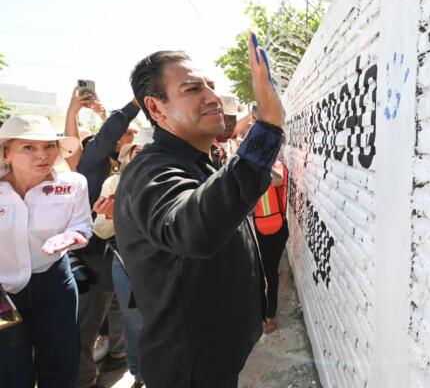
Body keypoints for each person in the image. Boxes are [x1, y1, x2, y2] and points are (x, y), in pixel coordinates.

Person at [114, 30, 284, 388]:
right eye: (192, 89)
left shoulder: (201, 161)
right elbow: (194, 231)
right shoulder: (151, 170)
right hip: (189, 367)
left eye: (210, 86)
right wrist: (266, 126)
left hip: (221, 356)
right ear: (156, 108)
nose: (213, 98)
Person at [0, 114, 93, 387]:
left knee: (62, 365)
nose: (42, 155)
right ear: (7, 153)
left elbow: (83, 226)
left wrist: (71, 236)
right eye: (29, 147)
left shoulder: (73, 184)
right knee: (11, 370)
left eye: (49, 146)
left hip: (54, 284)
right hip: (2, 292)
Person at [72, 94, 141, 388]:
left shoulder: (128, 171)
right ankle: (86, 380)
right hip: (96, 259)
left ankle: (116, 358)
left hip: (123, 260)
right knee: (83, 330)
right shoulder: (93, 167)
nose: (129, 136)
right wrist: (135, 104)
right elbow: (109, 132)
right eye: (125, 132)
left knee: (121, 317)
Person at [92, 142, 145, 387]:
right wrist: (113, 216)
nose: (142, 156)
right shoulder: (113, 184)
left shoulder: (168, 178)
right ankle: (137, 372)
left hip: (164, 263)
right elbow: (101, 231)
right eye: (137, 151)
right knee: (134, 322)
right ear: (127, 157)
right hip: (125, 262)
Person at [253, 157, 289, 334]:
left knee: (271, 273)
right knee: (261, 272)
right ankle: (261, 313)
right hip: (258, 228)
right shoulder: (252, 170)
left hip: (277, 229)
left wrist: (261, 164)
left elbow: (278, 180)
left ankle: (270, 315)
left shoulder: (277, 166)